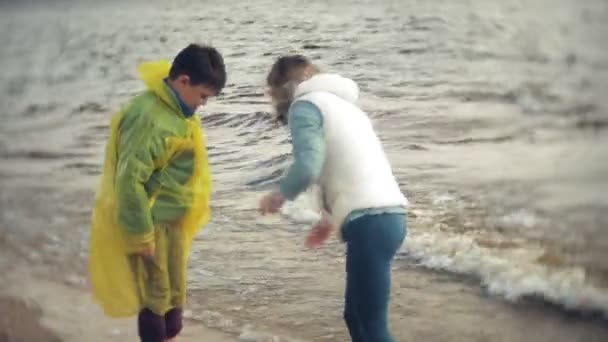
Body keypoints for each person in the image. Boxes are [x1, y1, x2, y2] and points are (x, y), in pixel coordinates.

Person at [258, 55, 408, 342]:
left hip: (372, 222)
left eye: (273, 93)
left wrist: (278, 197)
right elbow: (345, 167)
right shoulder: (345, 108)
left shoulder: (305, 106)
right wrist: (328, 218)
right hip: (387, 217)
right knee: (355, 317)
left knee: (372, 326)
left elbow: (308, 167)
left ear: (282, 88)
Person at [88, 43, 226, 342]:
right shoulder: (149, 118)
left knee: (175, 297)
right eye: (203, 96)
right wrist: (141, 236)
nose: (203, 104)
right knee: (156, 299)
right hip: (149, 223)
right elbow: (129, 181)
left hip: (172, 220)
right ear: (183, 81)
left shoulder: (179, 111)